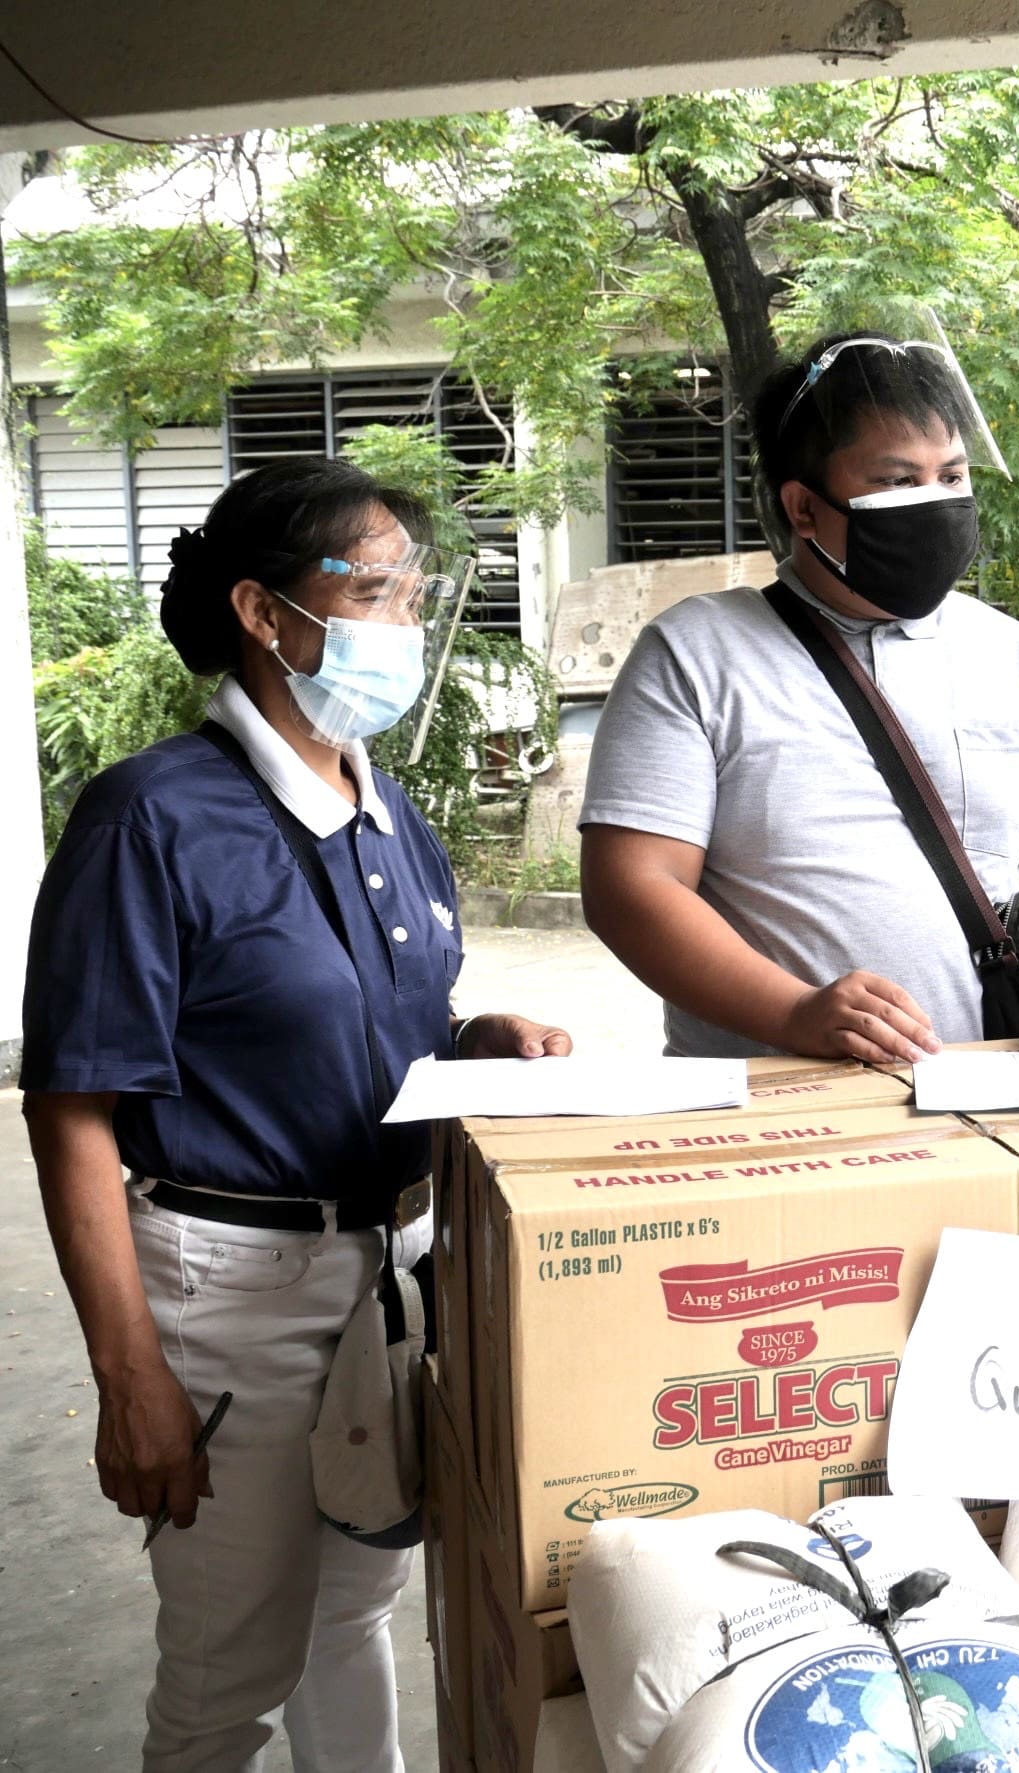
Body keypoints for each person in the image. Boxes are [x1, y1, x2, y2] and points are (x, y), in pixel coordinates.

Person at [22, 458, 573, 1772]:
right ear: (267, 615)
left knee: (352, 1610)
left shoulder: (387, 812)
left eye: (414, 592)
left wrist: (474, 1044)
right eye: (377, 589)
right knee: (230, 1664)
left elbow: (370, 1028)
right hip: (228, 1296)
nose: (405, 622)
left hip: (385, 1270)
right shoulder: (153, 818)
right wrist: (132, 1377)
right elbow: (73, 1112)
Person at [580, 331, 1019, 1061]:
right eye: (897, 480)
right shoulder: (695, 653)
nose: (937, 502)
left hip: (1000, 1085)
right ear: (803, 507)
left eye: (952, 476)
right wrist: (795, 1012)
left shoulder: (1008, 652)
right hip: (781, 1106)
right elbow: (631, 888)